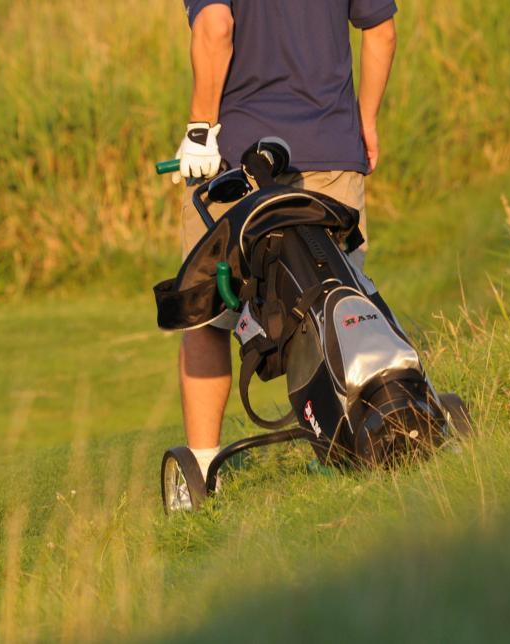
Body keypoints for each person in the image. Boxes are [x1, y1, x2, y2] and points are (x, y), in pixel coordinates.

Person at [174, 0, 398, 479]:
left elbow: (215, 26)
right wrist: (368, 122)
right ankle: (371, 432)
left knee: (208, 315)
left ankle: (204, 469)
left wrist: (198, 129)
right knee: (341, 303)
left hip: (236, 164)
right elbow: (380, 30)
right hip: (332, 150)